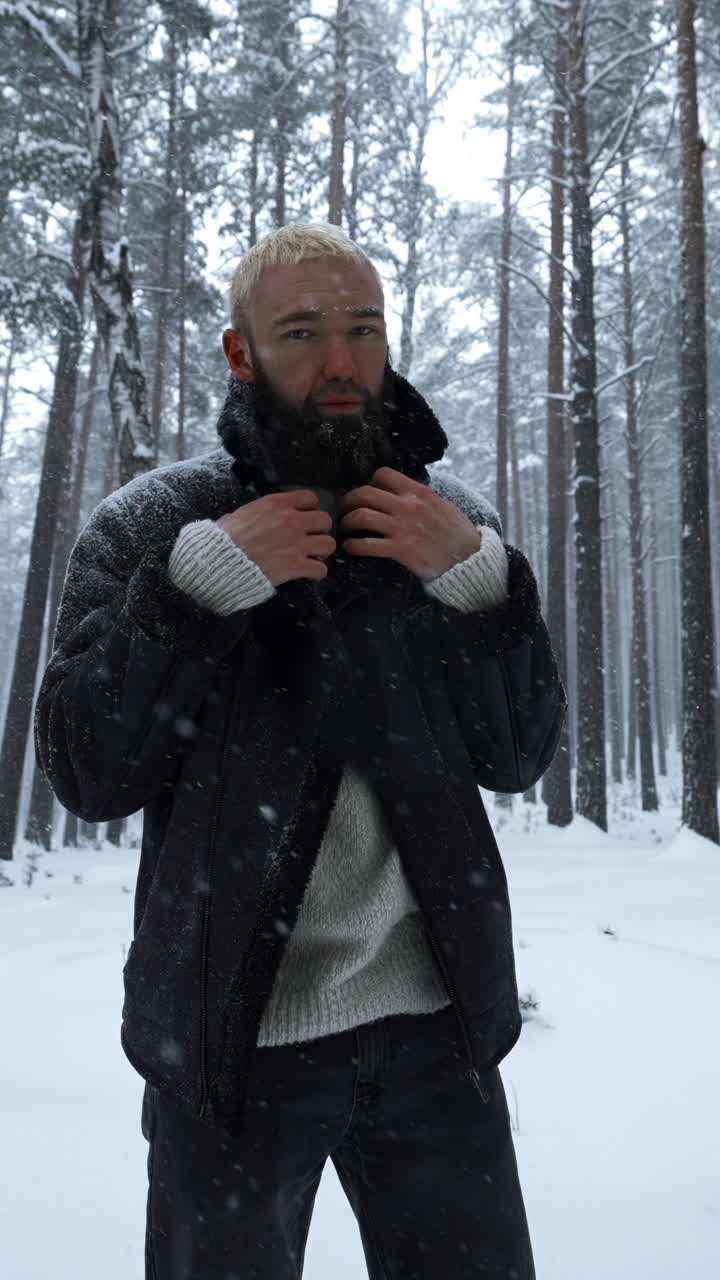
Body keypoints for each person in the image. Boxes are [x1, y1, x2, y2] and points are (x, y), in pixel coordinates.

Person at [36, 222, 566, 1280]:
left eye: (364, 327)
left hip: (439, 1035)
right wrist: (191, 595)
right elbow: (88, 770)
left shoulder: (446, 521)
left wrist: (480, 584)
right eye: (303, 329)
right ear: (241, 351)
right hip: (231, 1045)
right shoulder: (155, 527)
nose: (342, 360)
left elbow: (519, 754)